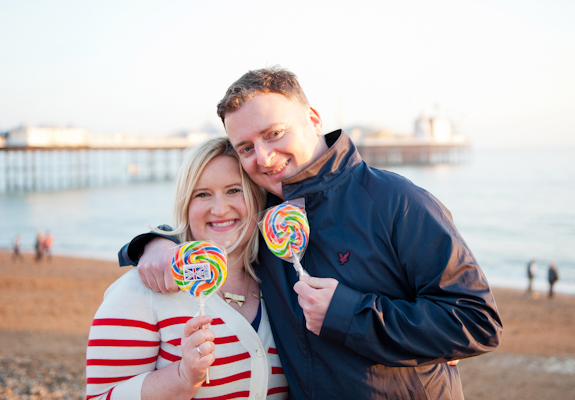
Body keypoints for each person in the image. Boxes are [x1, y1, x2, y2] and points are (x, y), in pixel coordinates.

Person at [118, 67, 502, 399]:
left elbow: (476, 321)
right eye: (246, 147)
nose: (264, 157)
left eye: (274, 134)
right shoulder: (264, 216)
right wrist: (152, 243)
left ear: (314, 119)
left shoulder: (395, 201)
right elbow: (213, 221)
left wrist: (348, 314)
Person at [87, 137, 287, 399]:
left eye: (234, 190)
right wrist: (182, 378)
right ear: (186, 204)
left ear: (256, 196)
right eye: (202, 194)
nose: (220, 209)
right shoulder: (144, 289)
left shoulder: (281, 283)